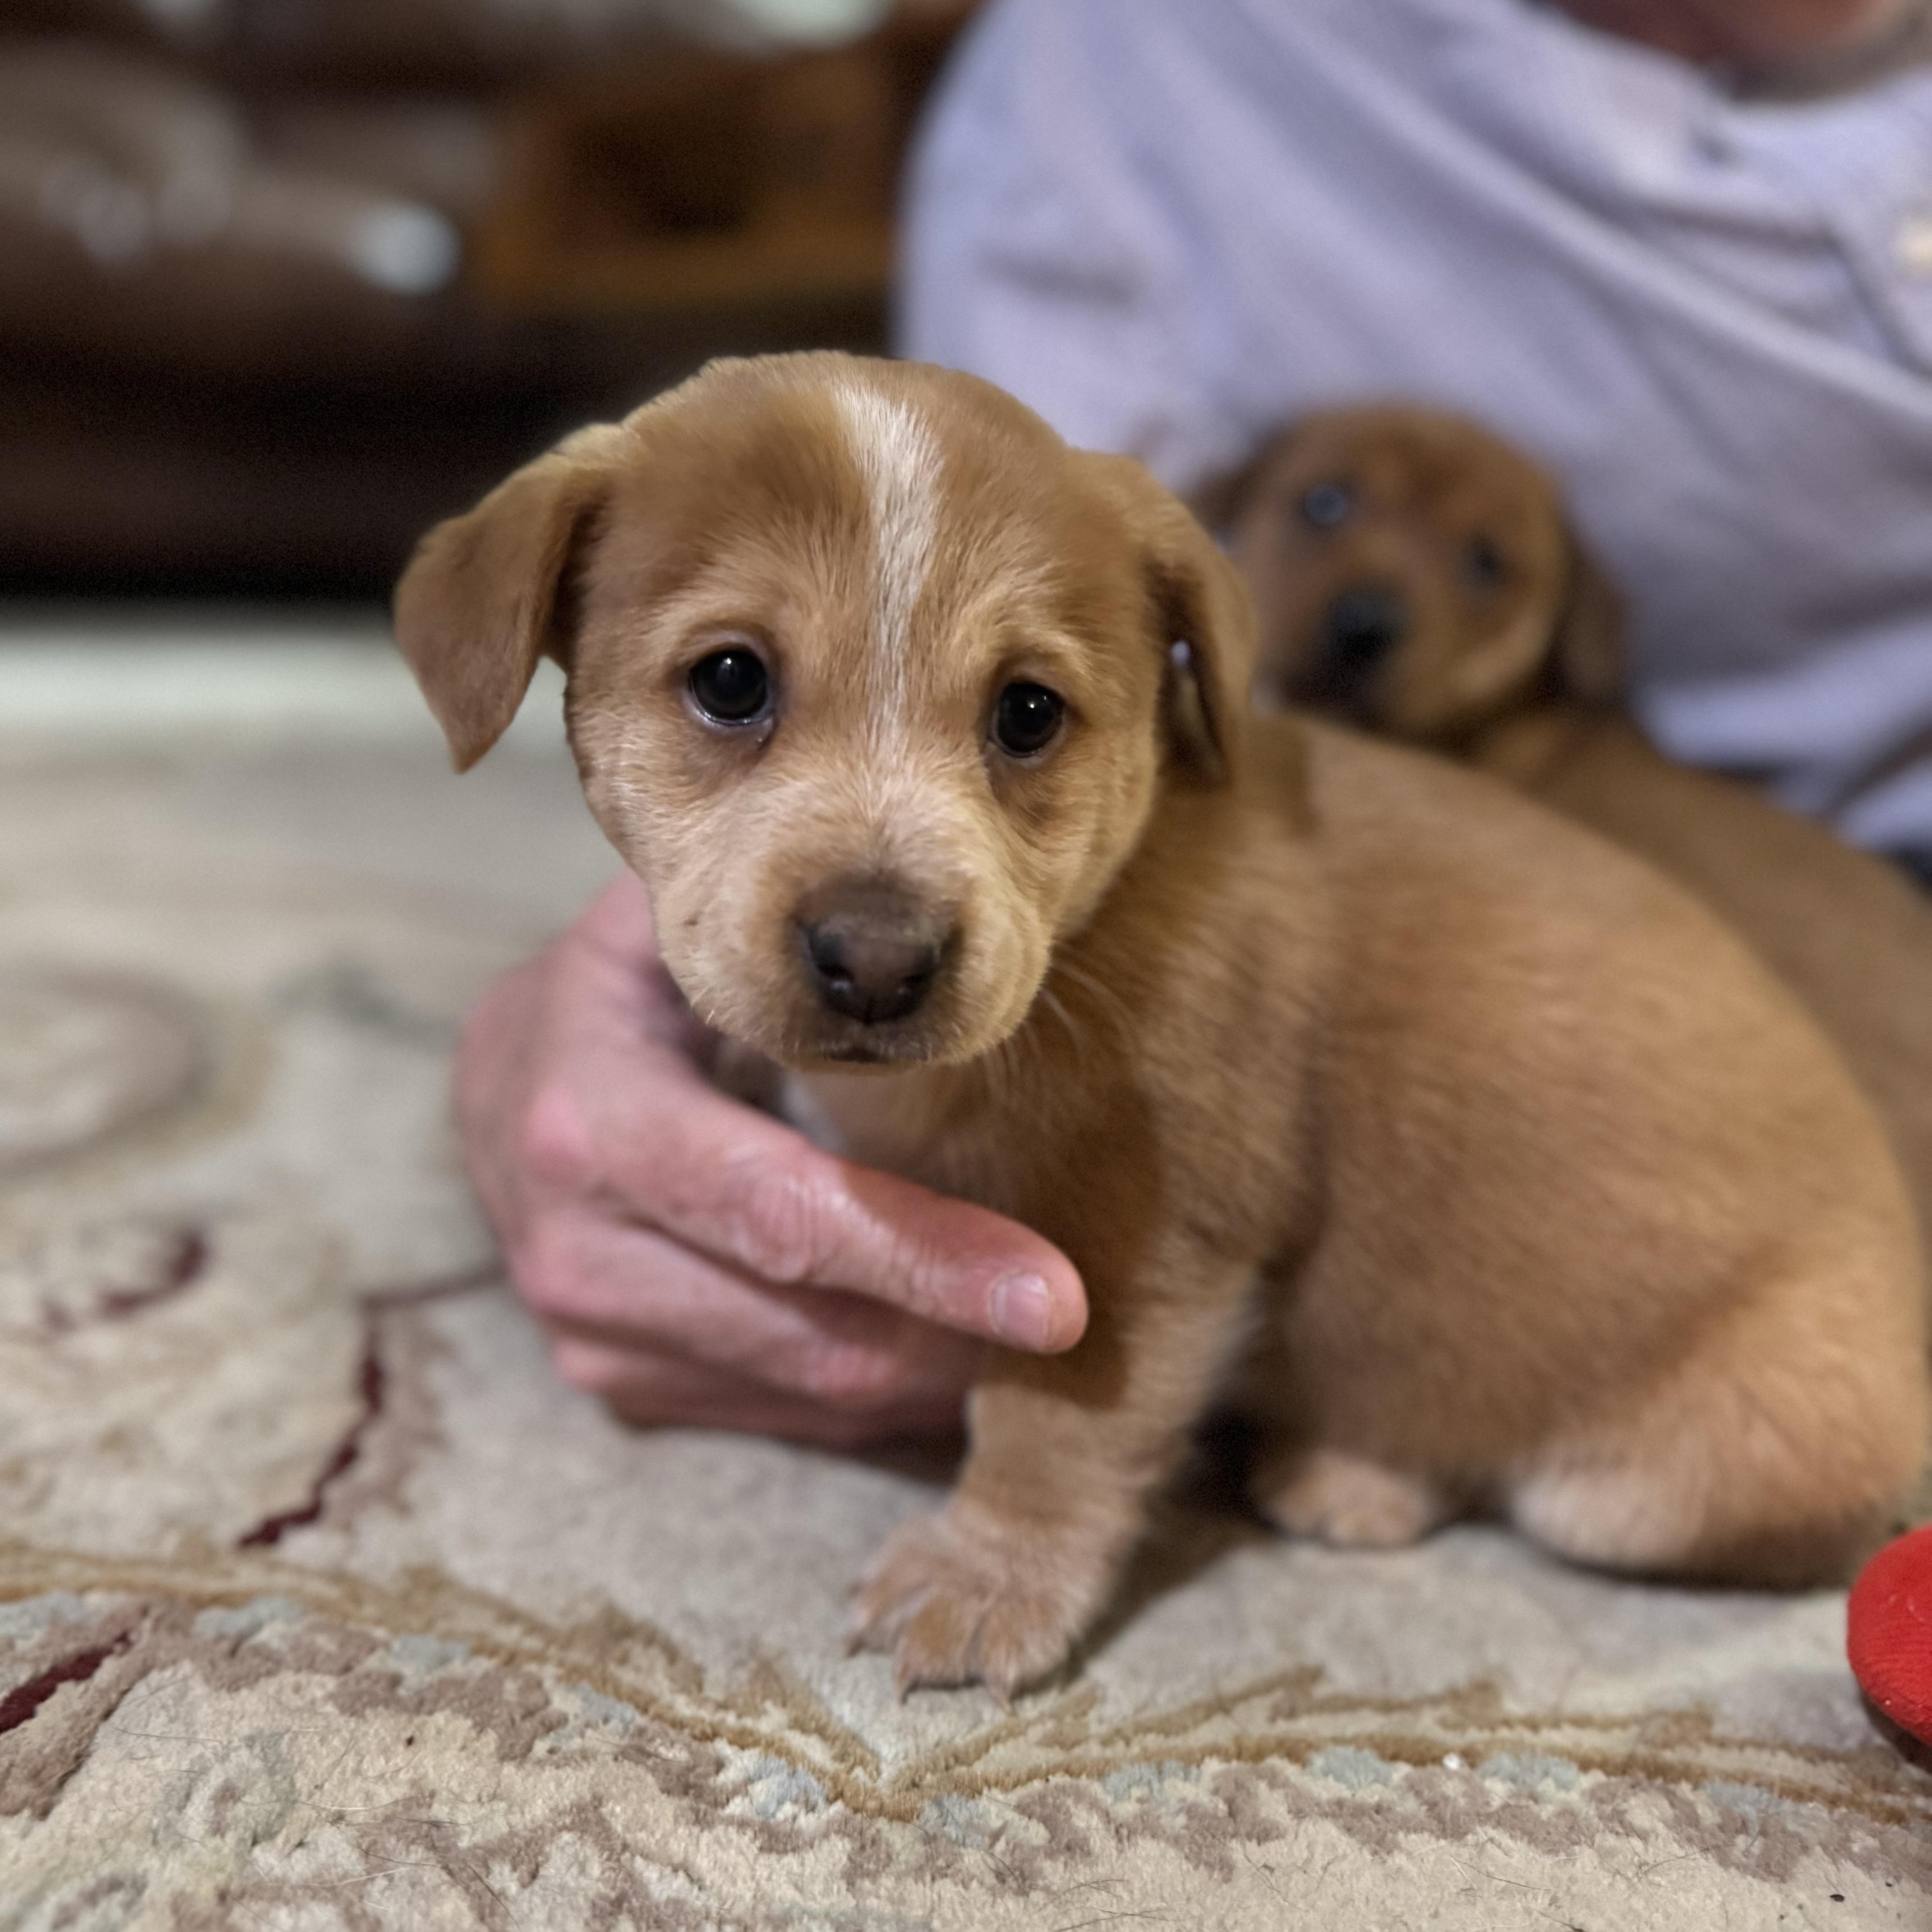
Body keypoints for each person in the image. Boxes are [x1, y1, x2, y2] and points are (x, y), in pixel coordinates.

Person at [455, 0, 1932, 1444]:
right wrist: (614, 1000)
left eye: (1482, 568)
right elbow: (909, 636)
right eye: (1330, 506)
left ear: (1569, 630)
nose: (1377, 596)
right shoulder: (1132, 65)